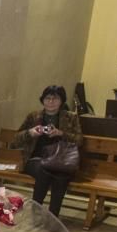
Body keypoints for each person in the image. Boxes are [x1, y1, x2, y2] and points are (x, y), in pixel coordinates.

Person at [14, 85, 83, 218]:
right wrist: (31, 133)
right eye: (48, 98)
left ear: (61, 101)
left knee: (61, 176)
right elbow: (16, 140)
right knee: (43, 170)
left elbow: (79, 140)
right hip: (35, 160)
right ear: (43, 100)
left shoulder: (71, 117)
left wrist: (60, 133)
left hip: (61, 160)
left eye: (55, 98)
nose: (51, 102)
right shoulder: (34, 116)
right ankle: (36, 212)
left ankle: (52, 218)